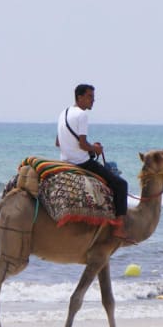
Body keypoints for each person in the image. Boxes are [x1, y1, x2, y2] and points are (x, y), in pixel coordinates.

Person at [55, 83, 128, 223]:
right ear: (79, 97)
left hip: (65, 161)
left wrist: (86, 147)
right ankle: (120, 226)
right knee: (120, 184)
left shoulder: (63, 113)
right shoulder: (82, 115)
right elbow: (83, 145)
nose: (92, 100)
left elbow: (58, 143)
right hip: (81, 163)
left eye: (93, 97)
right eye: (89, 96)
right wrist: (96, 149)